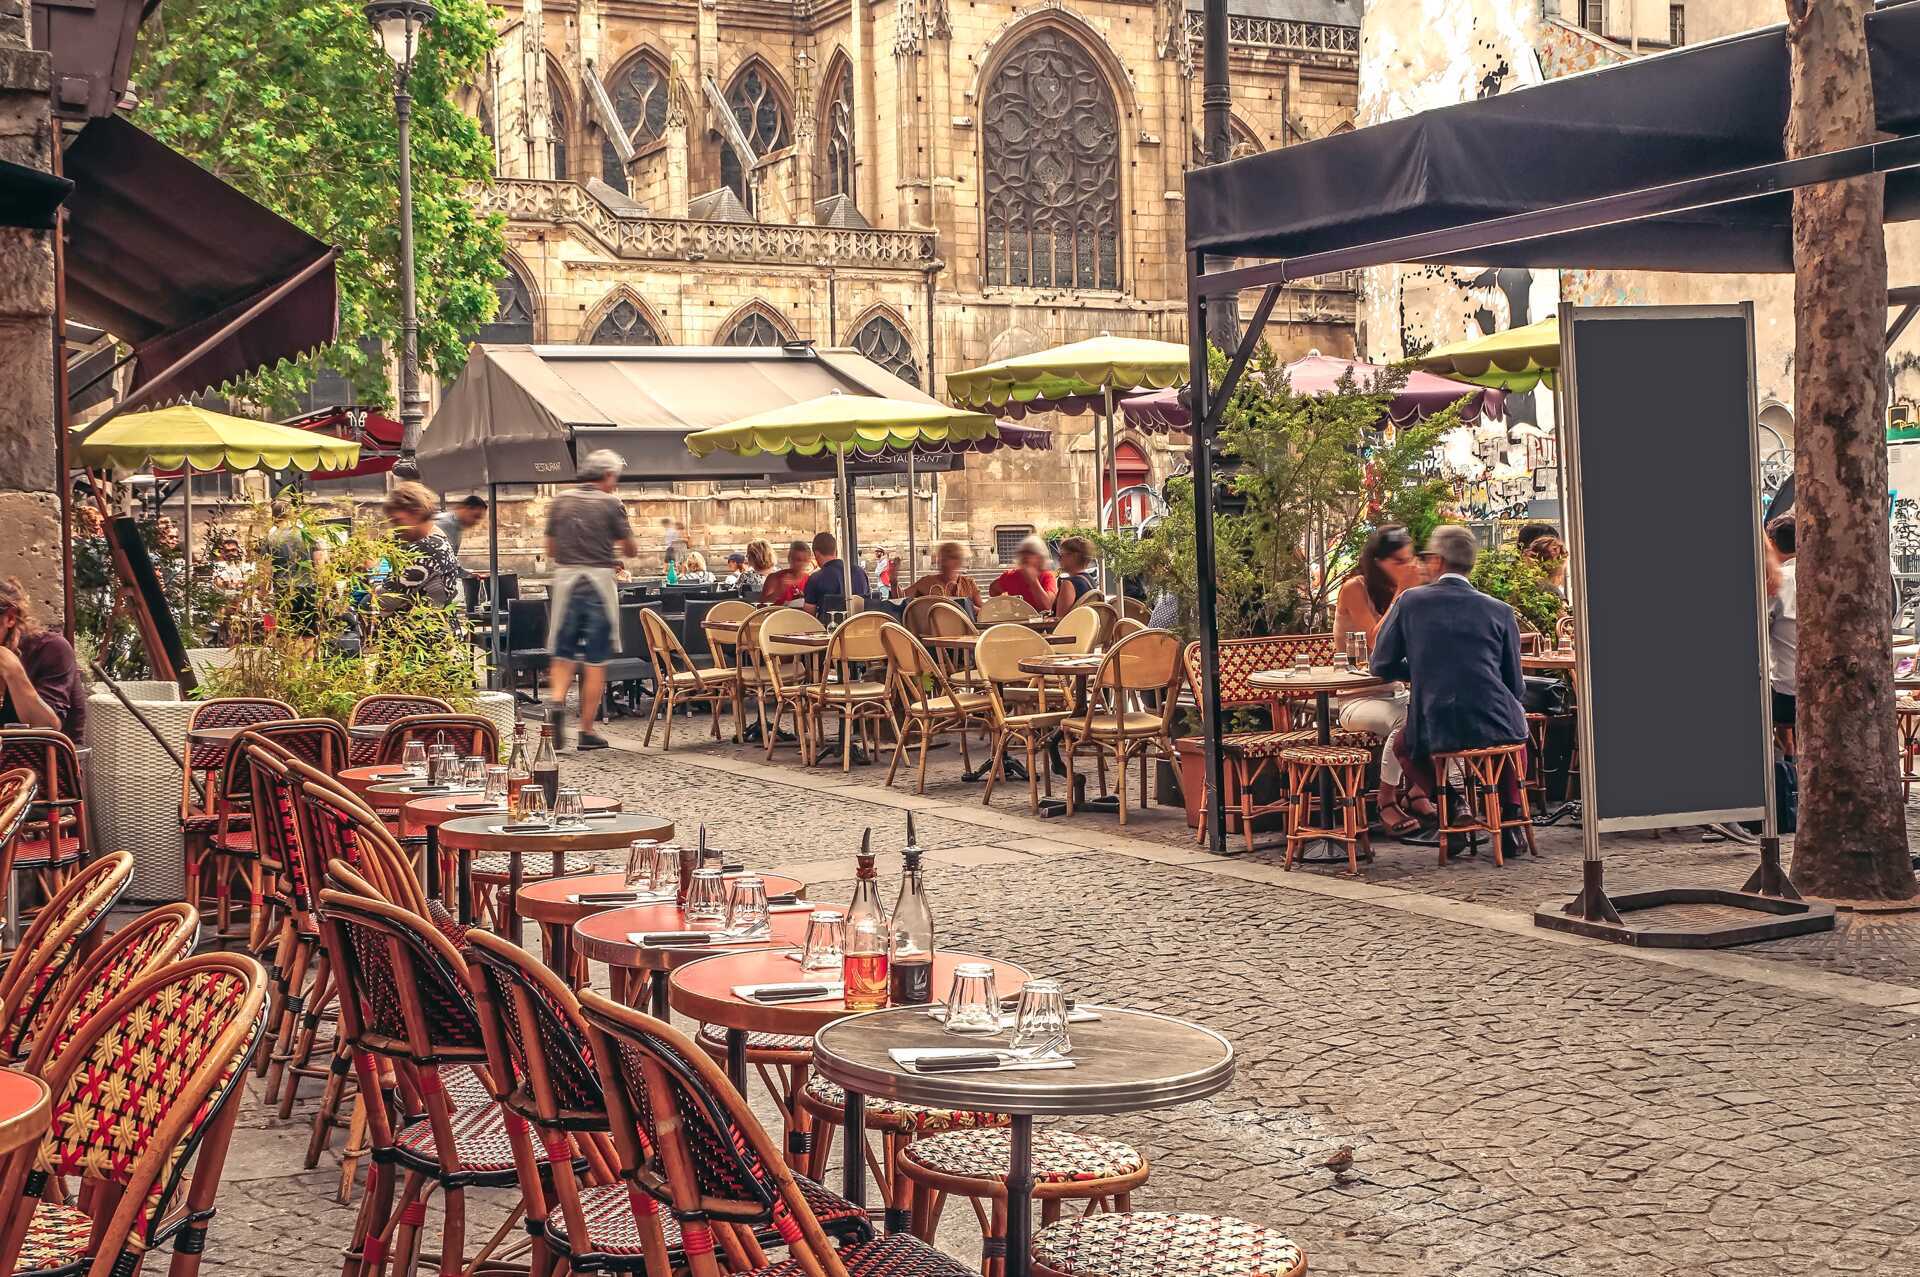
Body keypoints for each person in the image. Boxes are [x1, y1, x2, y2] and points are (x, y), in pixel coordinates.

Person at [1370, 525, 1530, 854]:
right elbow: (1515, 684)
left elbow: (1380, 664)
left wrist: (1421, 671)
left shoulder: (1411, 602)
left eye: (1429, 559)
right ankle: (1511, 817)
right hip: (1495, 719)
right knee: (1515, 737)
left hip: (1436, 721)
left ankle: (1455, 806)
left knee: (1404, 744)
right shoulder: (1499, 610)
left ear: (1439, 562)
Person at [545, 449, 638, 751]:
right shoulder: (612, 503)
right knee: (596, 660)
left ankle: (557, 702)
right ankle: (586, 729)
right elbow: (630, 550)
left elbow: (549, 549)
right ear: (608, 476)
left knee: (563, 653)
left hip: (567, 582)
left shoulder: (560, 501)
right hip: (598, 584)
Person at [1333, 525, 1425, 832]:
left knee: (1443, 710)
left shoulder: (1405, 592)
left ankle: (1418, 792)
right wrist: (1403, 591)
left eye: (1407, 560)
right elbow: (1376, 641)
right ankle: (1386, 800)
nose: (1405, 567)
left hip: (1396, 691)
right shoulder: (1354, 588)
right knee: (1405, 718)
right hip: (1356, 698)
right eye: (1397, 561)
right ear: (1378, 562)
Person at [0, 578, 85, 741]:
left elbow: (47, 728)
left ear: (10, 618)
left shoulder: (51, 649)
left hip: (45, 762)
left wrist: (14, 673)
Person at [382, 482, 462, 604]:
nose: (395, 528)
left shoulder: (426, 550)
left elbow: (385, 600)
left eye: (397, 521)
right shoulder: (437, 540)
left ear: (417, 513)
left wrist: (375, 591)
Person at [1767, 515, 1797, 736]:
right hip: (1819, 692)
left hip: (1784, 699)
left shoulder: (1776, 583)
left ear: (1771, 542)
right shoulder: (1815, 577)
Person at [802, 531, 869, 615]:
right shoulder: (860, 572)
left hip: (830, 626)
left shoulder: (815, 578)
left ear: (816, 554)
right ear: (835, 551)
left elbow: (809, 614)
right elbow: (868, 604)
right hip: (860, 625)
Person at [990, 535, 1058, 612]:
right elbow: (993, 589)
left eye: (1030, 554)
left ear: (1040, 557)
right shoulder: (1010, 576)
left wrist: (1033, 581)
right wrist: (1004, 605)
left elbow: (1047, 606)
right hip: (1017, 620)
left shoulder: (1047, 576)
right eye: (1024, 554)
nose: (1026, 557)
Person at [906, 541, 983, 609]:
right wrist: (894, 582)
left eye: (951, 558)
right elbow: (901, 598)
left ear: (959, 562)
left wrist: (968, 607)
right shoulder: (926, 582)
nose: (946, 562)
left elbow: (983, 611)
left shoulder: (969, 583)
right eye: (943, 558)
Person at [761, 540, 813, 605]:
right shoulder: (774, 578)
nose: (802, 564)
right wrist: (779, 591)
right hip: (778, 614)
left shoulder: (810, 580)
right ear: (789, 559)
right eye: (798, 560)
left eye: (805, 560)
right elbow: (762, 605)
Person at [1055, 535, 1097, 612]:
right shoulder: (1090, 581)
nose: (1059, 559)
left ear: (1073, 557)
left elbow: (1060, 619)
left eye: (1061, 555)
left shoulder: (1068, 584)